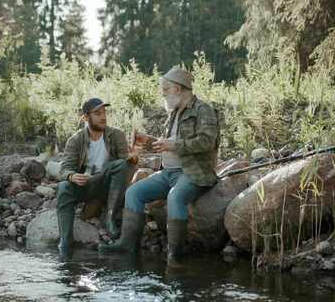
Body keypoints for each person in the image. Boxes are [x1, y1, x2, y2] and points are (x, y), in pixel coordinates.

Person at [99, 68, 220, 264]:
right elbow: (169, 144)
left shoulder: (203, 110)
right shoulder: (173, 112)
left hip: (194, 173)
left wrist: (173, 145)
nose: (162, 93)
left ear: (178, 89)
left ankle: (174, 256)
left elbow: (207, 141)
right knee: (134, 193)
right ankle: (127, 246)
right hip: (168, 173)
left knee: (175, 197)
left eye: (165, 89)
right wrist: (149, 141)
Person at [56, 97, 136, 255]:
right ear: (86, 118)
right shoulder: (76, 140)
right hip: (87, 184)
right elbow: (64, 169)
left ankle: (110, 218)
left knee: (121, 164)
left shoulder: (116, 135)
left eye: (104, 112)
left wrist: (133, 158)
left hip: (110, 185)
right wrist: (72, 176)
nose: (103, 117)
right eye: (97, 113)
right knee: (63, 187)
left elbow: (125, 165)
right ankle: (65, 240)